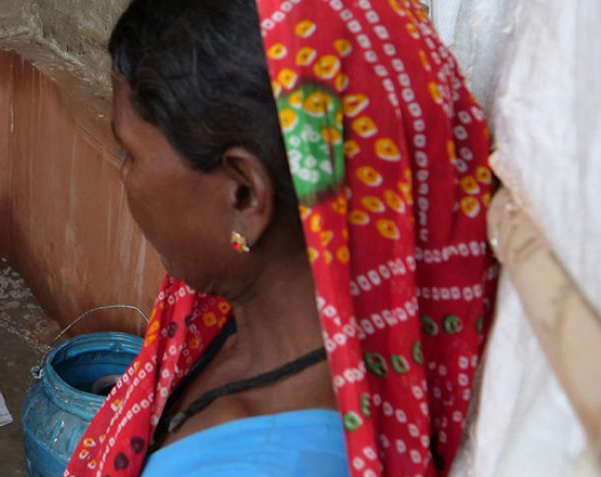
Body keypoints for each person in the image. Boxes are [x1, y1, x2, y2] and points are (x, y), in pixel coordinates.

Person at [66, 0, 497, 476]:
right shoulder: (252, 334)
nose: (125, 177)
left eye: (130, 153)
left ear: (245, 194)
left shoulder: (268, 463)